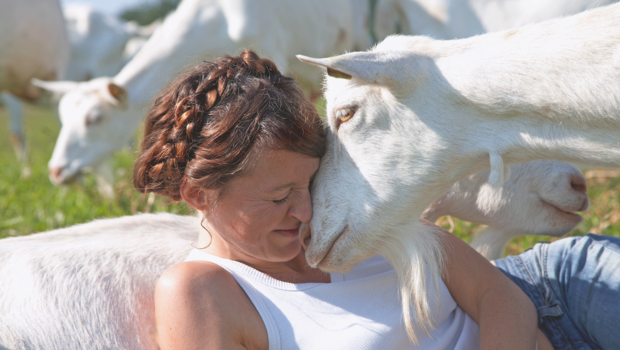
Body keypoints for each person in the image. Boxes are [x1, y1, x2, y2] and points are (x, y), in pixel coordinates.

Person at [133, 50, 620, 350]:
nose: (306, 211)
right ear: (199, 195)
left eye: (311, 183)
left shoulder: (340, 215)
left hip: (560, 293)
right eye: (279, 196)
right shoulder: (201, 293)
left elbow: (501, 296)